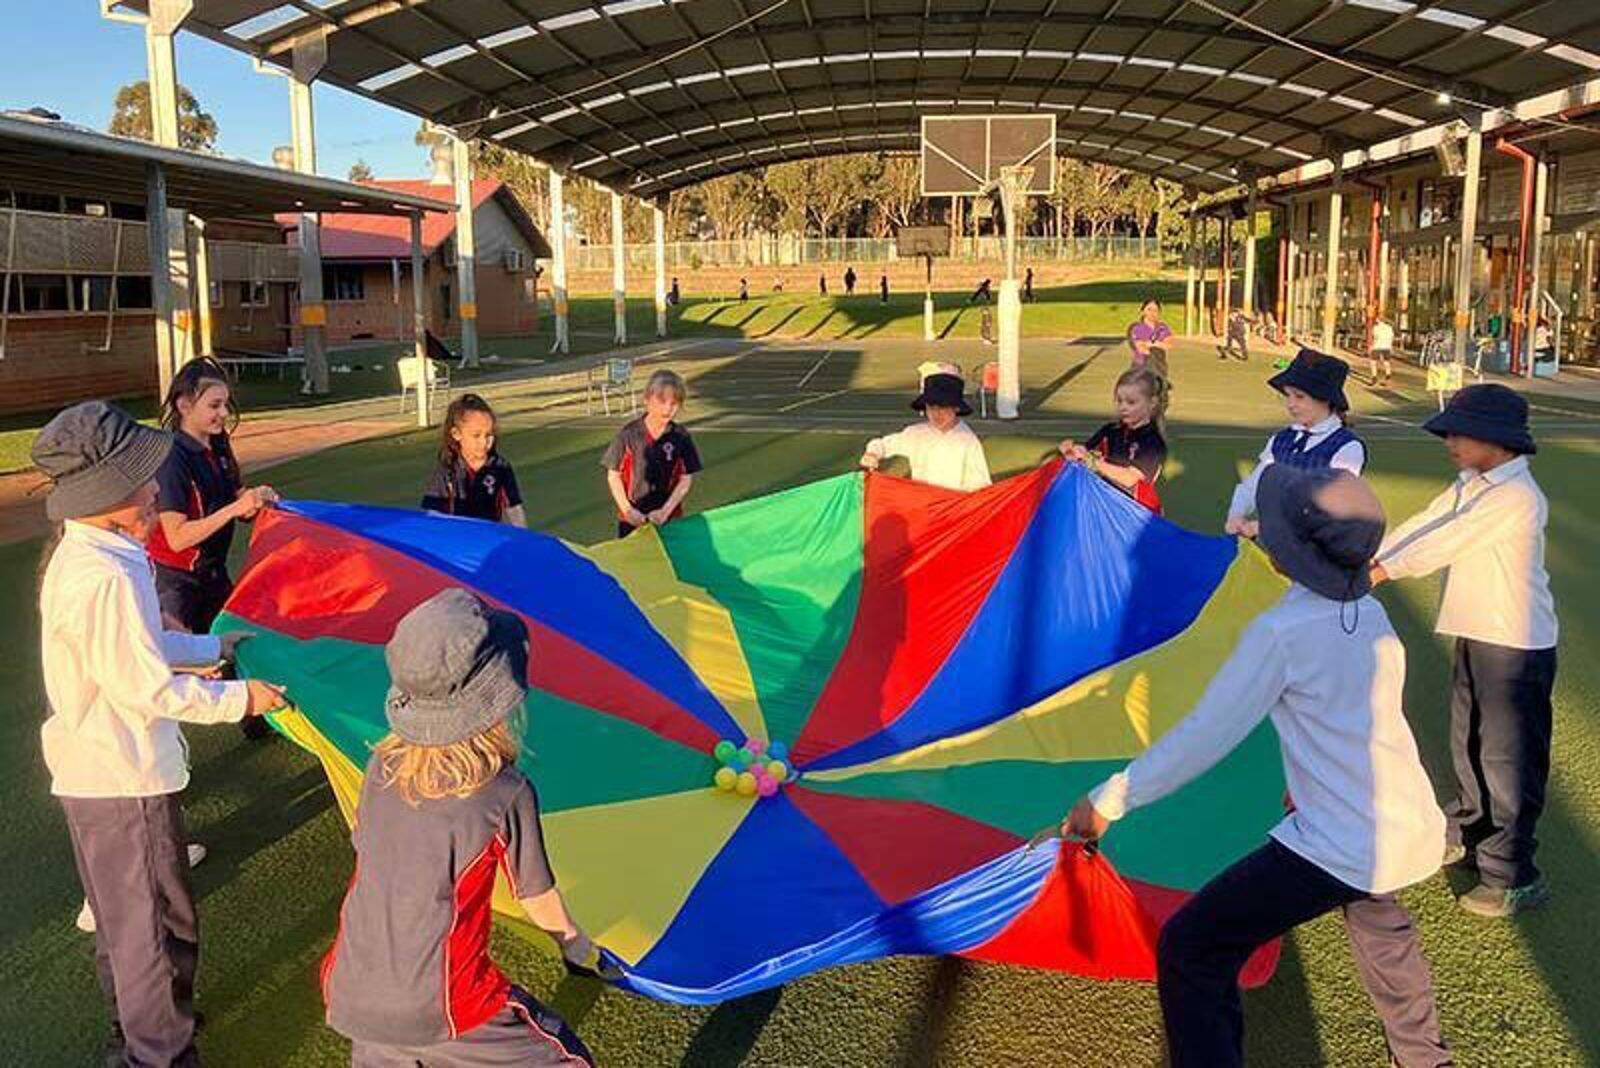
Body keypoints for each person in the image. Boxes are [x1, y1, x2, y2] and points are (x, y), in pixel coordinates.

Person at [1061, 465, 1451, 1068]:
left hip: (1342, 839)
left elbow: (1205, 735)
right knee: (1381, 923)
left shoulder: (1283, 630)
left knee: (1193, 947)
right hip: (1406, 826)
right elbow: (1357, 721)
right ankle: (1426, 1058)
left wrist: (1109, 799)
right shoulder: (1371, 615)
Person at [34, 401, 286, 1068]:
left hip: (102, 775)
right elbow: (143, 687)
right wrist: (241, 698)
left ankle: (142, 1030)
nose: (154, 489)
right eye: (144, 479)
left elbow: (142, 651)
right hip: (125, 778)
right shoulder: (105, 576)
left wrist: (212, 644)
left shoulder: (99, 556)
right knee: (154, 925)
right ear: (108, 493)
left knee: (131, 922)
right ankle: (159, 1051)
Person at [322, 588, 602, 1067]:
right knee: (569, 1060)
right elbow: (537, 897)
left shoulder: (380, 766)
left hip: (350, 986)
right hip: (448, 1006)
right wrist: (576, 945)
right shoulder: (503, 792)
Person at [1371, 384, 1556, 918]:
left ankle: (1515, 873)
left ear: (1496, 441)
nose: (1448, 440)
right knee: (1469, 743)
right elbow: (1426, 524)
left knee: (1508, 758)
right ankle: (1474, 835)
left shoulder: (1516, 497)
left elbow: (1443, 544)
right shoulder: (1470, 482)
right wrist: (1370, 556)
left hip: (1517, 643)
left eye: (1459, 431)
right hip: (1477, 633)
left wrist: (1380, 571)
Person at [147, 356, 281, 741]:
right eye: (214, 406)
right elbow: (177, 536)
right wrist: (235, 508)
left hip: (211, 570)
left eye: (225, 405)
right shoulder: (172, 457)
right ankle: (161, 753)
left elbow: (233, 499)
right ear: (183, 405)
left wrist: (257, 502)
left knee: (235, 643)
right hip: (176, 580)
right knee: (167, 668)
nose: (223, 413)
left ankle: (256, 719)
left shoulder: (217, 447)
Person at [1225, 348, 1364, 536]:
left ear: (1326, 400)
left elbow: (1327, 508)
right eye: (1288, 395)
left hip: (1317, 553)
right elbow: (1253, 485)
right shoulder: (1281, 439)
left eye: (1300, 397)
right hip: (1276, 545)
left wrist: (1266, 526)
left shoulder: (1347, 447)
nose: (1290, 404)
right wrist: (1236, 515)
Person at [603, 369, 702, 539]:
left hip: (669, 519)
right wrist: (628, 511)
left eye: (674, 403)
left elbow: (686, 479)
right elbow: (613, 475)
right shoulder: (628, 434)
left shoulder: (681, 436)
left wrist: (665, 511)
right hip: (632, 519)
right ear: (647, 400)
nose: (668, 409)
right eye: (662, 401)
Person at [860, 366, 991, 491]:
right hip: (922, 503)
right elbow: (883, 444)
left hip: (952, 505)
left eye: (943, 407)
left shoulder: (967, 441)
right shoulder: (916, 434)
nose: (937, 414)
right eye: (931, 408)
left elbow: (981, 485)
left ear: (956, 408)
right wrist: (873, 453)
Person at [1059, 367, 1169, 513]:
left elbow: (1130, 478)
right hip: (1106, 506)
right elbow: (1087, 452)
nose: (1123, 407)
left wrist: (1091, 461)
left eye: (1131, 402)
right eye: (1119, 401)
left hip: (1136, 514)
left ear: (1152, 402)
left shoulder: (1152, 442)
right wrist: (1072, 453)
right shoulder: (1111, 430)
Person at [421, 393, 527, 527]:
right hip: (457, 540)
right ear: (456, 434)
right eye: (476, 436)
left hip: (490, 539)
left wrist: (520, 540)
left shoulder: (500, 467)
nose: (483, 442)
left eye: (489, 435)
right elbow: (431, 515)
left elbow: (513, 511)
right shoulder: (446, 471)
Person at [1128, 298, 1174, 376]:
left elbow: (1169, 345)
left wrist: (1151, 343)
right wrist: (1159, 344)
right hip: (1141, 365)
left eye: (1155, 310)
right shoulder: (1137, 328)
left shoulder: (1163, 327)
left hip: (1160, 366)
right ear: (1143, 311)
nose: (1152, 313)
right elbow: (1141, 348)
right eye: (1149, 309)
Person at [1370, 315, 1396, 385]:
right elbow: (1392, 337)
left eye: (1376, 319)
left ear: (1379, 320)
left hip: (1377, 346)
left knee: (1373, 362)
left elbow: (1374, 336)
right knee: (1386, 362)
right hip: (1387, 346)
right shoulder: (1389, 328)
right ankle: (1388, 375)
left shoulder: (1376, 328)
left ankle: (1374, 377)